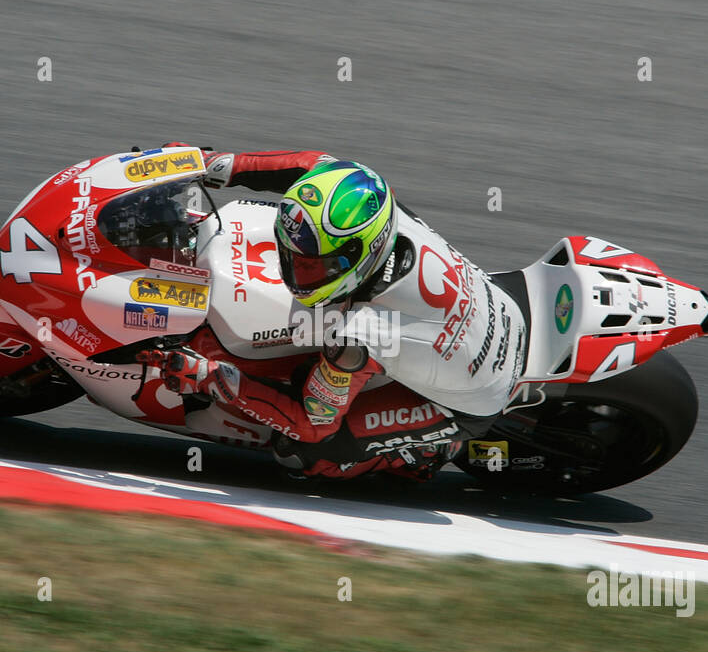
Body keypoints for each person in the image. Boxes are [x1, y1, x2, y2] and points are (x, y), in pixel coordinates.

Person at [137, 148, 528, 479]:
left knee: (303, 453)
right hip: (493, 312)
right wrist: (215, 163)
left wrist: (211, 377)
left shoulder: (360, 336)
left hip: (473, 395)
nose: (294, 270)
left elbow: (311, 424)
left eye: (311, 265)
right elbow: (310, 166)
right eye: (292, 256)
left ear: (360, 256)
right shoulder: (374, 204)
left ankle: (429, 452)